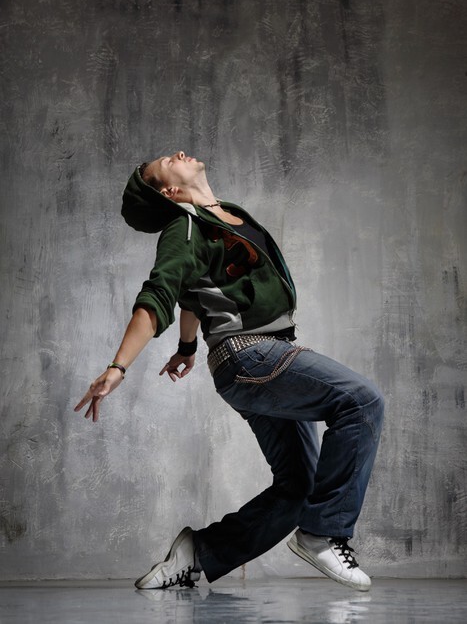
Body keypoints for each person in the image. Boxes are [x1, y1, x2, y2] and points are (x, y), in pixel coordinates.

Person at [74, 151, 384, 592]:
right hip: (252, 355)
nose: (177, 154)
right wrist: (118, 366)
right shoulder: (184, 226)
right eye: (165, 162)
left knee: (299, 487)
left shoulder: (225, 216)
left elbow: (192, 292)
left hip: (262, 358)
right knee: (361, 400)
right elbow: (160, 293)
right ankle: (324, 533)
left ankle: (199, 552)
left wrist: (187, 347)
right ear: (170, 191)